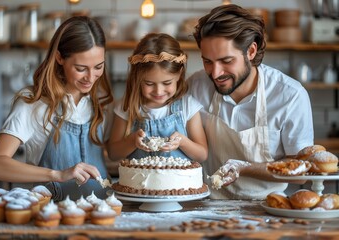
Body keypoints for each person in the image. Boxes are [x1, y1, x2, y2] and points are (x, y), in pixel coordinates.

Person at [187, 4, 314, 199]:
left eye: (226, 61)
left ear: (251, 51)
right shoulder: (195, 86)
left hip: (269, 208)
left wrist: (244, 168)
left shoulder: (290, 95)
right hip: (207, 205)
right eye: (207, 61)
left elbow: (300, 173)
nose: (215, 73)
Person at [0, 16, 114, 201]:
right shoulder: (34, 104)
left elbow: (111, 156)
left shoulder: (101, 102)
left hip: (104, 216)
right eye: (81, 68)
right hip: (53, 219)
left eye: (98, 67)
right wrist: (58, 175)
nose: (91, 78)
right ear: (59, 57)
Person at [107, 33, 208, 162]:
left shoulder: (187, 106)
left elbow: (202, 154)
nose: (158, 91)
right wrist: (133, 141)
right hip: (138, 182)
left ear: (179, 74)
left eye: (167, 83)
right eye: (149, 83)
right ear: (137, 77)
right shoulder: (126, 106)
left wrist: (182, 142)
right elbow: (113, 153)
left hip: (178, 182)